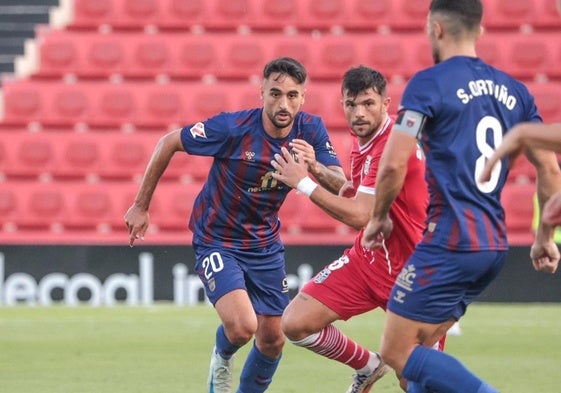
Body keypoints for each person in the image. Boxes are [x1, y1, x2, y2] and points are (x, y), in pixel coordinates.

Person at [360, 1, 561, 392]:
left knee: (397, 353)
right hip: (493, 246)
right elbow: (550, 169)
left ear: (436, 29)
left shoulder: (428, 83)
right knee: (422, 350)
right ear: (480, 32)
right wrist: (544, 239)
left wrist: (379, 215)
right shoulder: (515, 92)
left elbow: (392, 165)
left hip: (449, 241)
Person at [124, 57, 347, 393]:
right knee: (243, 326)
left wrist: (313, 166)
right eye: (275, 94)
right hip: (217, 239)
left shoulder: (310, 131)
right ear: (262, 94)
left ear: (303, 98)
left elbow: (341, 184)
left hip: (264, 244)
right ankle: (222, 357)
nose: (282, 103)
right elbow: (168, 142)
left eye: (291, 95)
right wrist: (141, 206)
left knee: (273, 339)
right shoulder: (232, 129)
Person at [271, 65, 445, 393]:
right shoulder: (365, 138)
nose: (359, 113)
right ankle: (367, 365)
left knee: (415, 382)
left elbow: (360, 215)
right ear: (343, 106)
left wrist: (303, 183)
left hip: (414, 274)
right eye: (352, 105)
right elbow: (356, 192)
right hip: (369, 262)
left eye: (368, 104)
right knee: (295, 323)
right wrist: (318, 169)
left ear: (385, 104)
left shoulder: (391, 145)